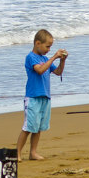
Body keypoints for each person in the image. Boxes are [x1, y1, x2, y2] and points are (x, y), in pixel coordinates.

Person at [16, 29, 67, 160]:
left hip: (45, 96)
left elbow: (58, 72)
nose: (49, 49)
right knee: (28, 127)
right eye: (47, 46)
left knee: (38, 127)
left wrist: (62, 60)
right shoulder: (31, 57)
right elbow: (39, 70)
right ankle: (17, 154)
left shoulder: (45, 58)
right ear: (37, 43)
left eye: (50, 47)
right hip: (33, 97)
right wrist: (54, 57)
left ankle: (33, 152)